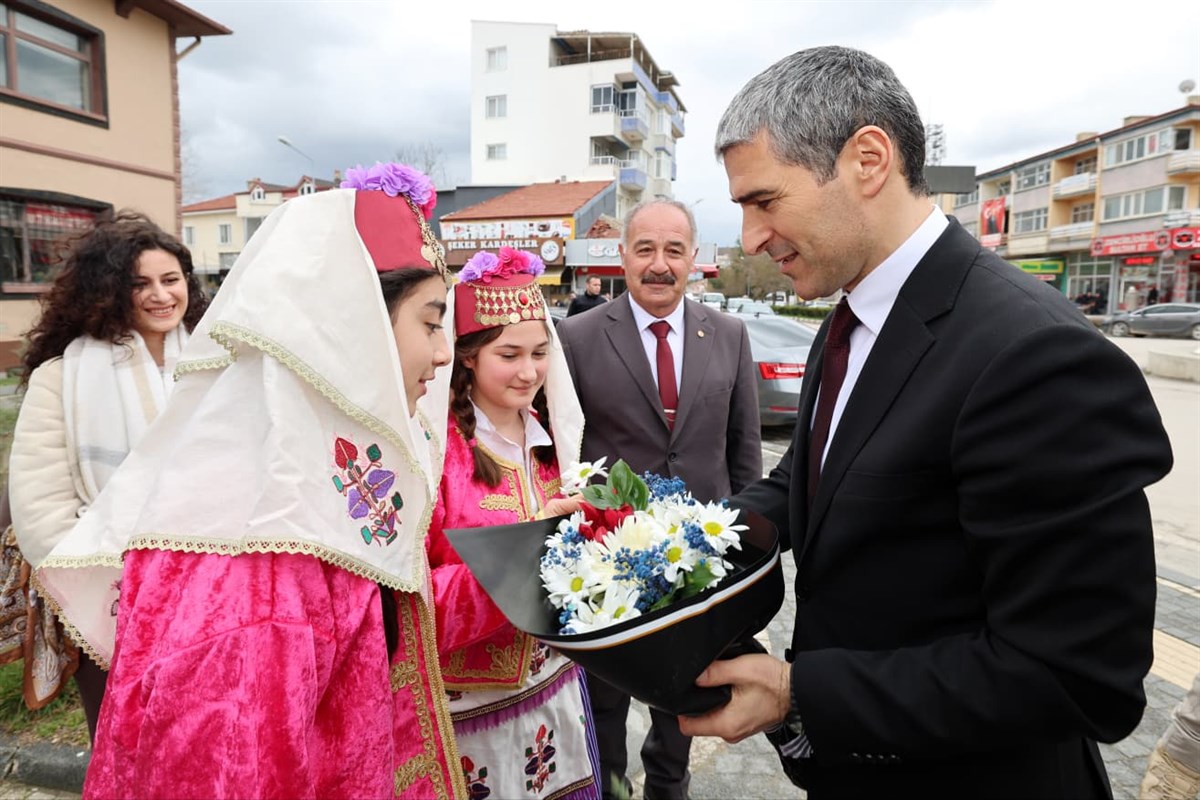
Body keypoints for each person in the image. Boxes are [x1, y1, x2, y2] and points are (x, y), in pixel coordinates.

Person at [678, 46, 1173, 799]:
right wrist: (662, 545)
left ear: (867, 159)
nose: (748, 239)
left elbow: (1078, 675)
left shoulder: (1035, 353)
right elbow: (810, 481)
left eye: (764, 201)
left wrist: (797, 691)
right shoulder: (851, 318)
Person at [33, 163, 469, 798]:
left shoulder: (302, 485)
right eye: (430, 322)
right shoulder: (255, 552)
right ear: (354, 327)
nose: (441, 352)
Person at [557, 199, 762, 800]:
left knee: (685, 695)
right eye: (645, 249)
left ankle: (669, 789)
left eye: (674, 250)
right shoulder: (578, 337)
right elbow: (564, 448)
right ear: (622, 256)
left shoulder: (728, 333)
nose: (659, 264)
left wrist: (747, 543)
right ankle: (609, 786)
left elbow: (743, 447)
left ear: (693, 258)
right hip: (608, 562)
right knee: (606, 704)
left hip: (698, 563)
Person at [7, 211, 207, 741]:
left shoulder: (219, 368)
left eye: (171, 280)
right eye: (139, 284)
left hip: (214, 601)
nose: (161, 296)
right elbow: (41, 513)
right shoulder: (63, 378)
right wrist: (117, 593)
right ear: (108, 292)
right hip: (109, 606)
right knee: (128, 748)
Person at [425, 246, 601, 800]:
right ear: (470, 356)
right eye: (509, 354)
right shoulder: (438, 456)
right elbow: (412, 597)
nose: (529, 372)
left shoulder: (558, 445)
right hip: (469, 713)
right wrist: (530, 546)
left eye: (540, 353)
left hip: (554, 691)